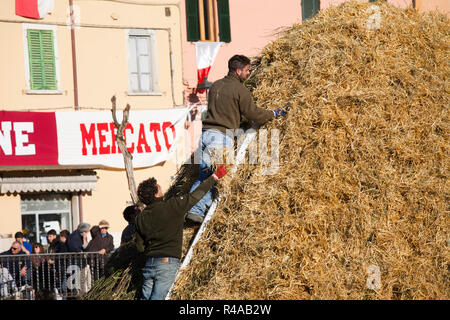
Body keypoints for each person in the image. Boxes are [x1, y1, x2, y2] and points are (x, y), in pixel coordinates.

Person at [186, 54, 289, 223]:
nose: (248, 74)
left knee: (203, 175)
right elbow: (253, 113)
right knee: (219, 175)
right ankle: (203, 210)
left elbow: (225, 110)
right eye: (247, 70)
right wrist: (274, 113)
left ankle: (193, 208)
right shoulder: (240, 90)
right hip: (220, 138)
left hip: (205, 135)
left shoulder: (216, 86)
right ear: (238, 70)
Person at [135, 164, 228, 300]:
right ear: (156, 194)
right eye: (160, 188)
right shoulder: (172, 206)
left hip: (149, 264)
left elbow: (139, 246)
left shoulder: (140, 218)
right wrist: (214, 177)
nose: (162, 189)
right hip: (166, 264)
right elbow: (195, 196)